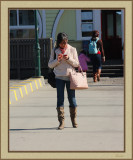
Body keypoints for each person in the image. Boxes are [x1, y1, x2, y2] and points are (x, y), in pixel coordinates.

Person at [48, 32, 79, 130]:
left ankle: (74, 120)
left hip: (70, 77)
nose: (63, 45)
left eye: (65, 43)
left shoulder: (72, 49)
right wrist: (57, 60)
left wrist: (68, 59)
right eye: (61, 43)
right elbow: (50, 65)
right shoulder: (55, 50)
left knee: (72, 99)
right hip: (59, 77)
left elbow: (77, 64)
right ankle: (61, 122)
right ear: (58, 42)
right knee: (60, 99)